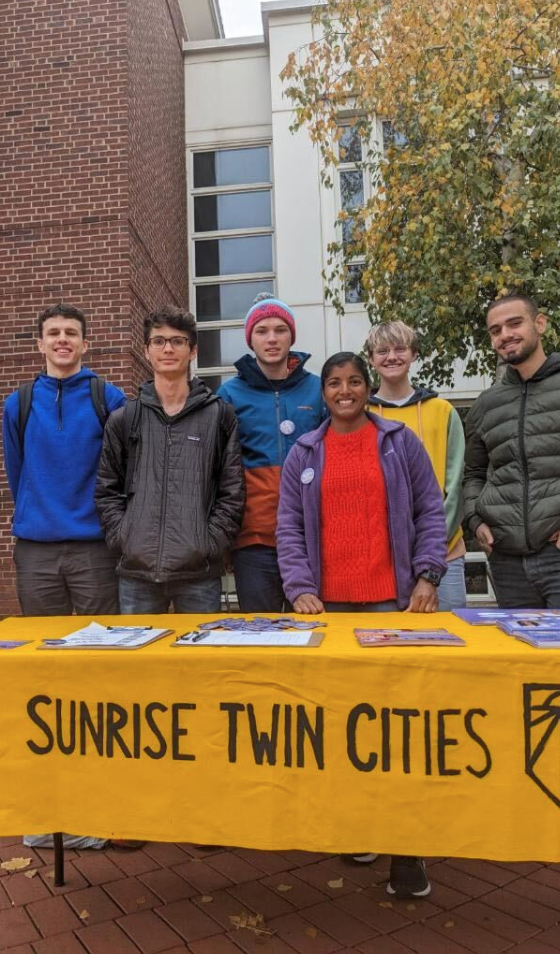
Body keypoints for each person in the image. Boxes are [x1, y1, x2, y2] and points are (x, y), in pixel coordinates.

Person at [277, 351, 447, 898]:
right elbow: (288, 529)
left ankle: (408, 852)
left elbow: (430, 510)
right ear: (322, 393)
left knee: (400, 730)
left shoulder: (399, 442)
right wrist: (300, 588)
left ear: (368, 388)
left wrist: (427, 575)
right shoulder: (304, 451)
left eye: (354, 382)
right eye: (334, 383)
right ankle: (358, 830)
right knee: (343, 728)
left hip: (392, 608)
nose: (344, 391)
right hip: (329, 611)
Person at [96, 305, 245, 614]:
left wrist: (209, 543)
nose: (168, 348)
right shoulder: (125, 418)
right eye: (159, 341)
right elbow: (106, 490)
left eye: (177, 341)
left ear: (192, 351)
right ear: (146, 350)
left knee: (200, 662)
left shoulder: (219, 415)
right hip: (137, 573)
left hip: (199, 572)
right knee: (140, 662)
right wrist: (125, 537)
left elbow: (232, 493)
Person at [464, 294, 560, 610]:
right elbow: (473, 474)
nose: (505, 335)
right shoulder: (486, 404)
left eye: (515, 323)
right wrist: (474, 519)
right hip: (507, 562)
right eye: (496, 330)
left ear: (540, 323)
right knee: (520, 658)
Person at [2, 303, 126, 617]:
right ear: (40, 344)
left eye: (71, 333)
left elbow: (125, 471)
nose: (62, 339)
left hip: (95, 547)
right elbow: (17, 470)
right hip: (36, 548)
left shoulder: (110, 399)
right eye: (53, 333)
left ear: (85, 344)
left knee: (100, 647)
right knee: (44, 649)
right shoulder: (19, 403)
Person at [217, 294, 325, 611]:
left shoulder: (319, 389)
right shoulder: (229, 394)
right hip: (254, 539)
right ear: (250, 339)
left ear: (292, 336)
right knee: (261, 635)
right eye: (262, 330)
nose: (272, 338)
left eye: (280, 329)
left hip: (312, 536)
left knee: (313, 633)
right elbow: (219, 467)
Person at [366, 320, 467, 610]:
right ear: (372, 359)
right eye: (382, 350)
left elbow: (456, 484)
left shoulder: (443, 411)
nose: (392, 357)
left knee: (450, 641)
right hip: (385, 558)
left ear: (413, 354)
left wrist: (431, 546)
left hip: (443, 553)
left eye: (400, 349)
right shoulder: (362, 414)